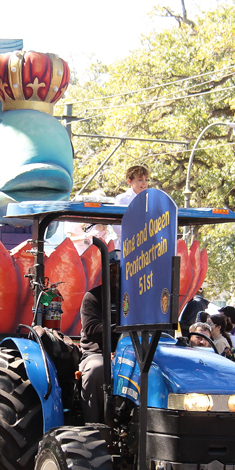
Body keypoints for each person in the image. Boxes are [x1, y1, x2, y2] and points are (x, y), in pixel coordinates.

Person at [79, 253, 121, 423]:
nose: (116, 275)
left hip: (132, 354)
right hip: (98, 353)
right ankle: (95, 428)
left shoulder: (135, 298)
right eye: (111, 271)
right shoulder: (93, 297)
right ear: (103, 273)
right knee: (97, 370)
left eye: (119, 271)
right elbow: (91, 329)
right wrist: (121, 329)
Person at [114, 165, 149, 246]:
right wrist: (131, 239)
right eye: (140, 180)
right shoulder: (122, 198)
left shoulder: (150, 199)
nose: (144, 183)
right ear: (129, 181)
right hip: (127, 244)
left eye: (146, 180)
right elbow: (117, 224)